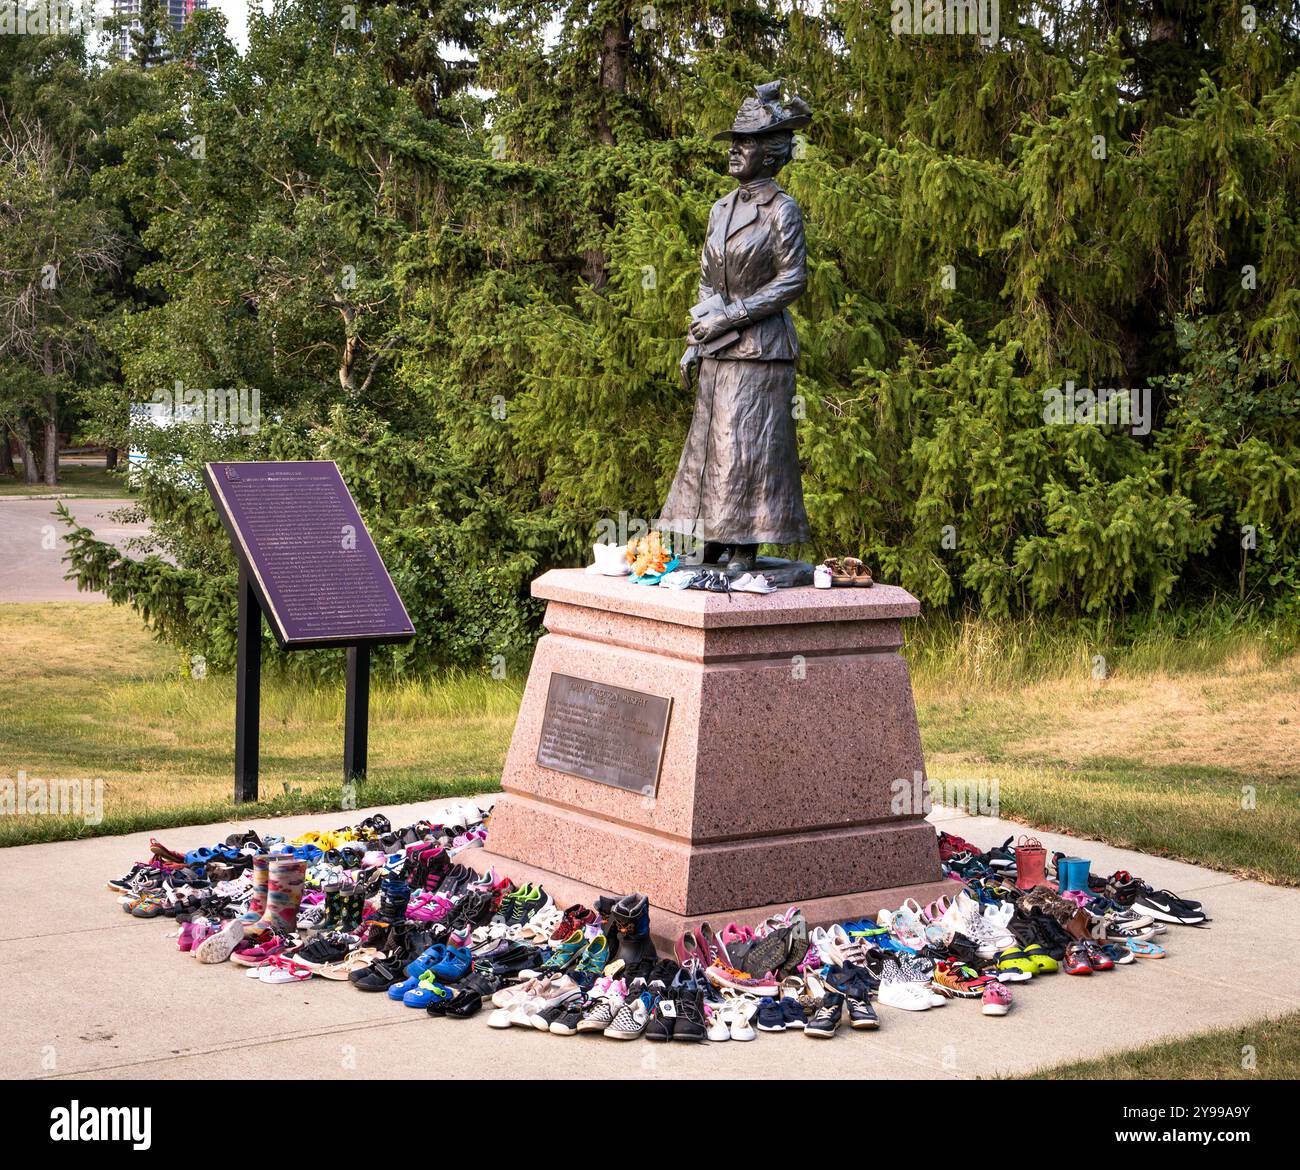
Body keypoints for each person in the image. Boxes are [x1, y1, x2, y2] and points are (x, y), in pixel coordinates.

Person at [659, 81, 813, 573]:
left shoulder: (781, 210)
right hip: (720, 348)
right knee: (708, 443)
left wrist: (736, 315)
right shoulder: (720, 209)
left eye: (744, 143)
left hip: (763, 348)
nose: (733, 151)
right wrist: (696, 339)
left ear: (768, 155)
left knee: (747, 445)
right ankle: (711, 538)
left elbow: (793, 279)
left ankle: (745, 544)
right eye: (734, 142)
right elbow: (709, 282)